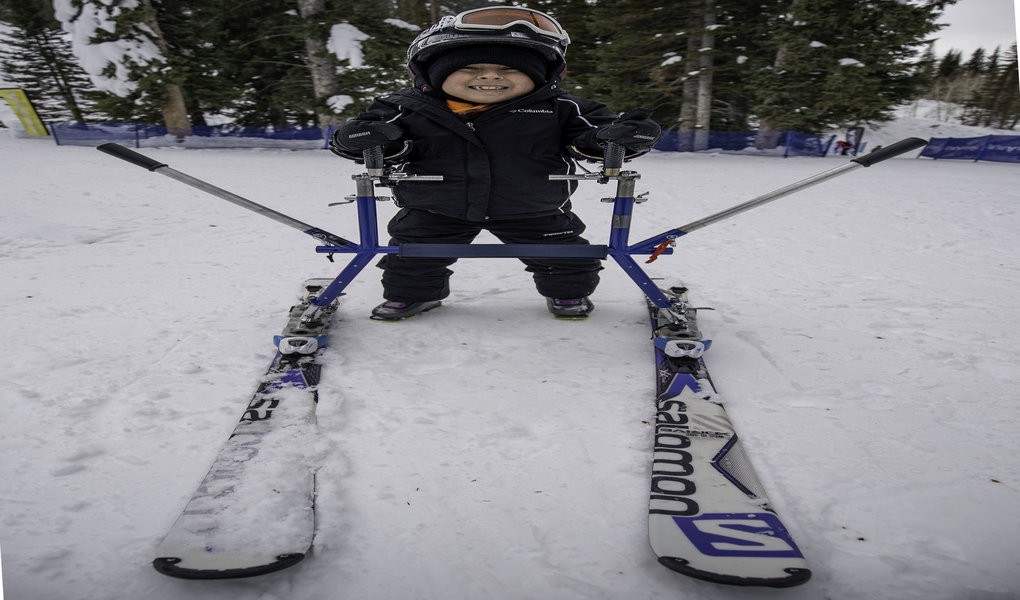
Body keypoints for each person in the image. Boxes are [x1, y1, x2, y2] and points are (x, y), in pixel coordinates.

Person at [330, 6, 660, 321]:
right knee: (412, 259)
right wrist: (363, 138)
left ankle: (568, 292)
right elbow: (366, 138)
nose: (490, 76)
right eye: (470, 69)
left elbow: (592, 139)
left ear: (541, 75)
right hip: (435, 207)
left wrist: (619, 138)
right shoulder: (404, 107)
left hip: (533, 207)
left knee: (566, 259)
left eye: (509, 69)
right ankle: (416, 294)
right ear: (434, 73)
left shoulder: (562, 108)